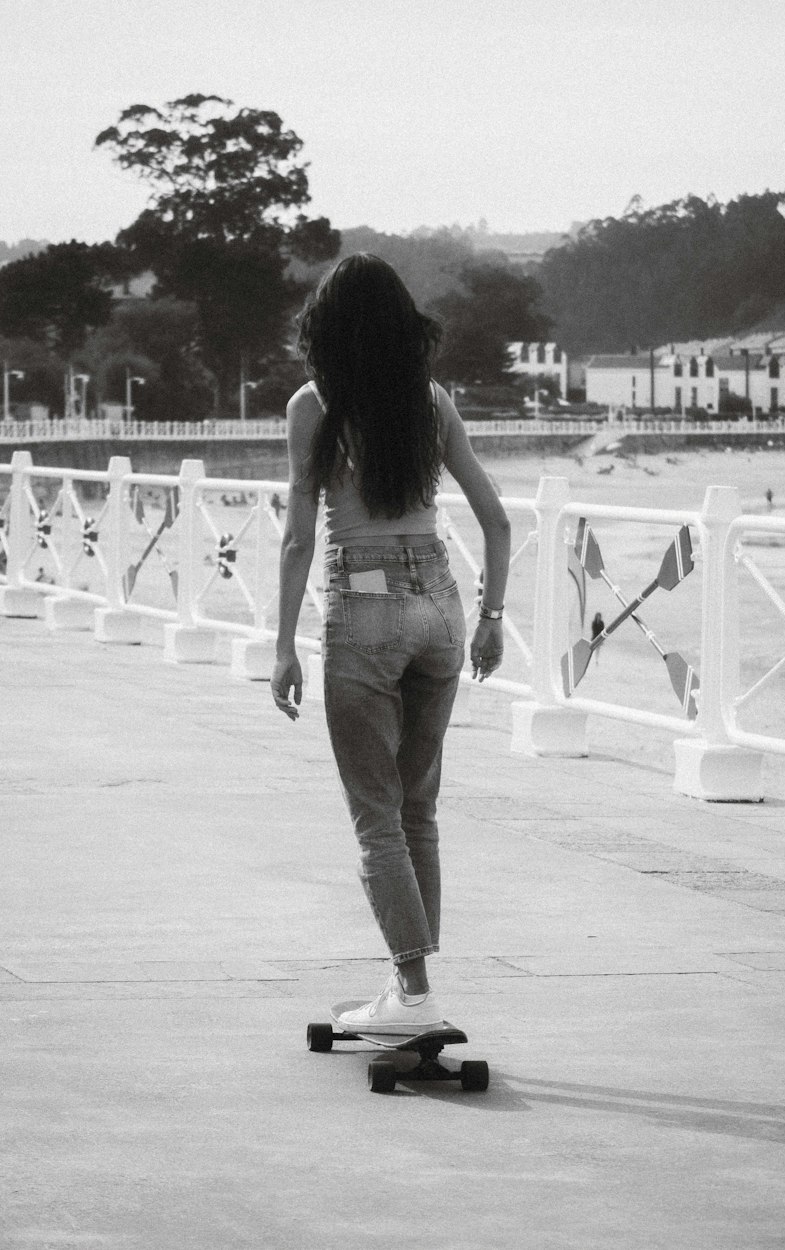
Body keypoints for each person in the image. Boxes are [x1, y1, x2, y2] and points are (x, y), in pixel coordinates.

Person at [270, 254, 511, 1034]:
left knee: (377, 815)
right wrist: (492, 616)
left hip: (366, 604)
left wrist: (282, 646)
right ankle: (409, 987)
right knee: (419, 810)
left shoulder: (314, 406)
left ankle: (412, 995)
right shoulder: (431, 402)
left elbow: (299, 539)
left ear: (325, 330)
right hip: (440, 601)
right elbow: (498, 519)